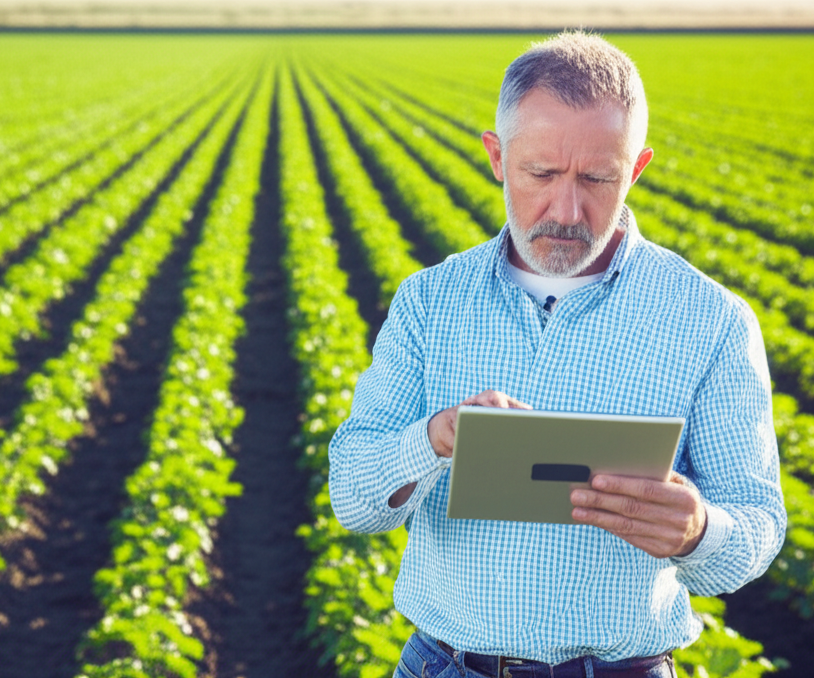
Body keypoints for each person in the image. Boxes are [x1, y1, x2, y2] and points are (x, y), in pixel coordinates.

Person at [327, 31, 787, 678]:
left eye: (598, 178)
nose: (567, 209)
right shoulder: (431, 301)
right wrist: (433, 439)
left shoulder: (710, 319)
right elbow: (353, 498)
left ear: (637, 168)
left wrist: (700, 531)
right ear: (496, 156)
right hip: (447, 666)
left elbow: (758, 525)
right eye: (540, 173)